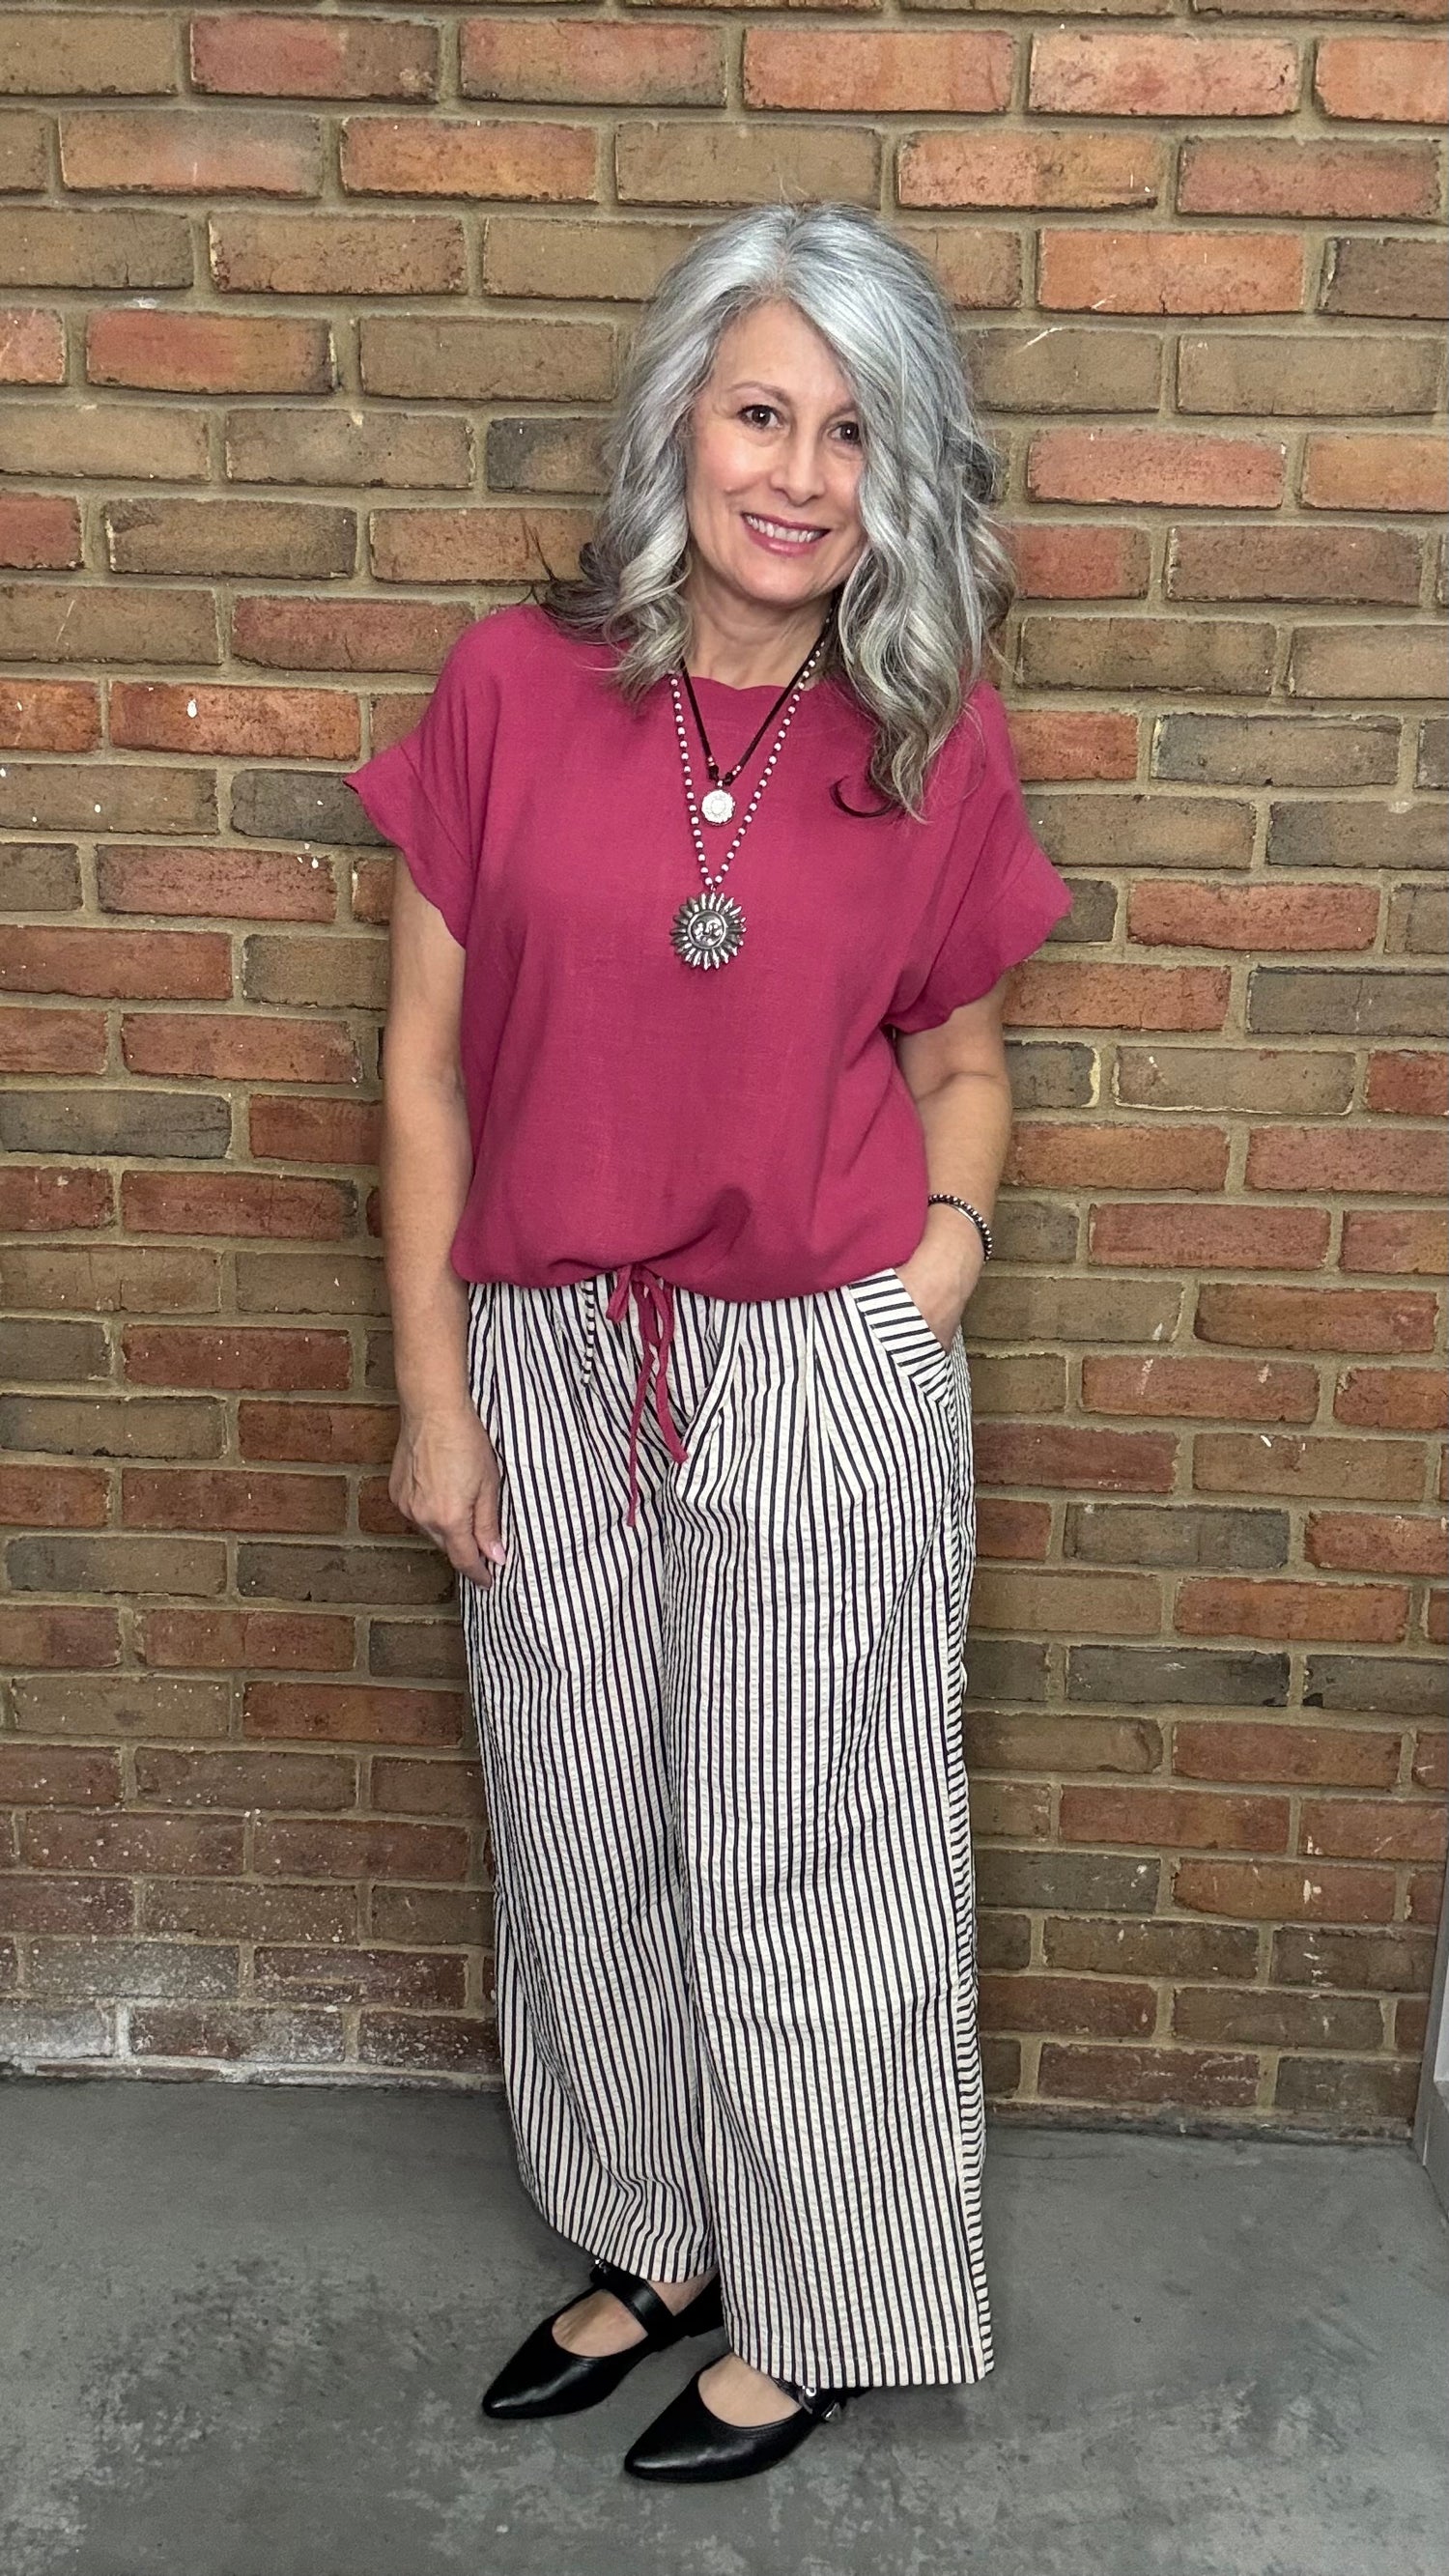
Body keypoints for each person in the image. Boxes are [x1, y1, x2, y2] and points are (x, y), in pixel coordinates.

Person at [342, 199, 1071, 2486]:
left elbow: (967, 1063)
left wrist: (918, 1288)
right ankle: (655, 2229)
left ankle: (829, 2286)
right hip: (547, 1350)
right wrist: (437, 1400)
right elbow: (423, 1066)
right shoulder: (507, 688)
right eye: (765, 408)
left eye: (858, 429)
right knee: (580, 1836)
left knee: (810, 1852)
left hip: (811, 1352)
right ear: (681, 415)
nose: (804, 471)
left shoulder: (928, 733)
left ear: (903, 466)